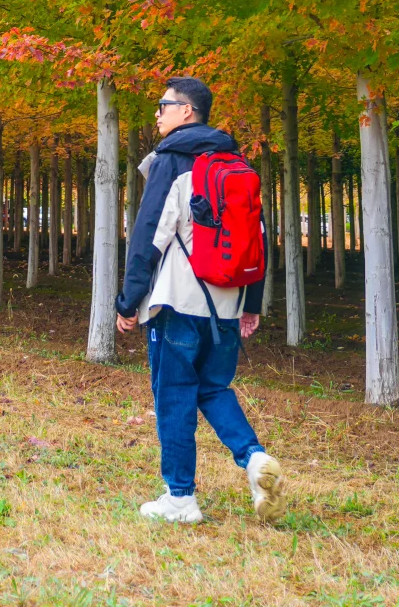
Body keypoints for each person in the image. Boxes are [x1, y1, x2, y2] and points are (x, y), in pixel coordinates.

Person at [116, 75, 286, 525]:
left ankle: (180, 498)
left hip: (178, 302)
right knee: (213, 388)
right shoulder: (236, 163)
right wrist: (251, 302)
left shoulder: (172, 161)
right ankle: (253, 460)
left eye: (162, 105)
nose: (157, 112)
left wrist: (128, 300)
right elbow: (258, 240)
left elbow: (150, 234)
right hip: (227, 304)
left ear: (186, 111)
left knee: (173, 395)